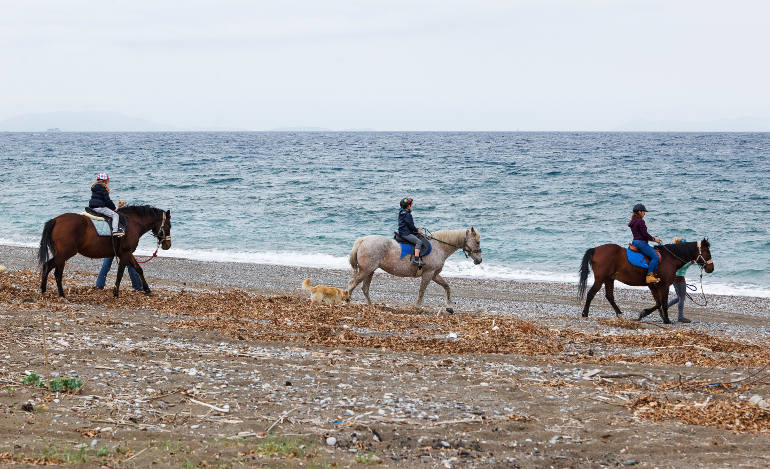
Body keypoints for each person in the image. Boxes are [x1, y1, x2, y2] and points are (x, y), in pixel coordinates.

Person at [628, 203, 661, 284]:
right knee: (655, 257)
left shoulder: (633, 221)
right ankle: (649, 276)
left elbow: (641, 234)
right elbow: (645, 234)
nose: (644, 213)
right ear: (639, 212)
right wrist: (654, 239)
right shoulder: (641, 221)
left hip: (634, 242)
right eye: (643, 211)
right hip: (641, 243)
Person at [667, 237, 694, 323]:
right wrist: (690, 263)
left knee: (679, 297)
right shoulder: (680, 256)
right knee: (682, 298)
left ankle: (664, 308)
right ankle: (680, 317)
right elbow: (681, 267)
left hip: (674, 277)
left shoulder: (675, 255)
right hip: (680, 278)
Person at [89, 172, 124, 237]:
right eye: (107, 180)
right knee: (115, 215)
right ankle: (115, 231)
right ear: (104, 180)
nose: (108, 181)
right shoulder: (103, 188)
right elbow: (107, 201)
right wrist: (114, 208)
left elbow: (102, 200)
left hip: (93, 206)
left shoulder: (95, 187)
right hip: (99, 207)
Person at [398, 197, 428, 267]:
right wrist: (417, 230)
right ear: (408, 206)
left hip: (402, 231)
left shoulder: (401, 212)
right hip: (406, 233)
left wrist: (416, 229)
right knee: (419, 242)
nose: (412, 206)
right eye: (411, 205)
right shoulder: (408, 214)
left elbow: (408, 225)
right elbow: (411, 226)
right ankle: (416, 259)